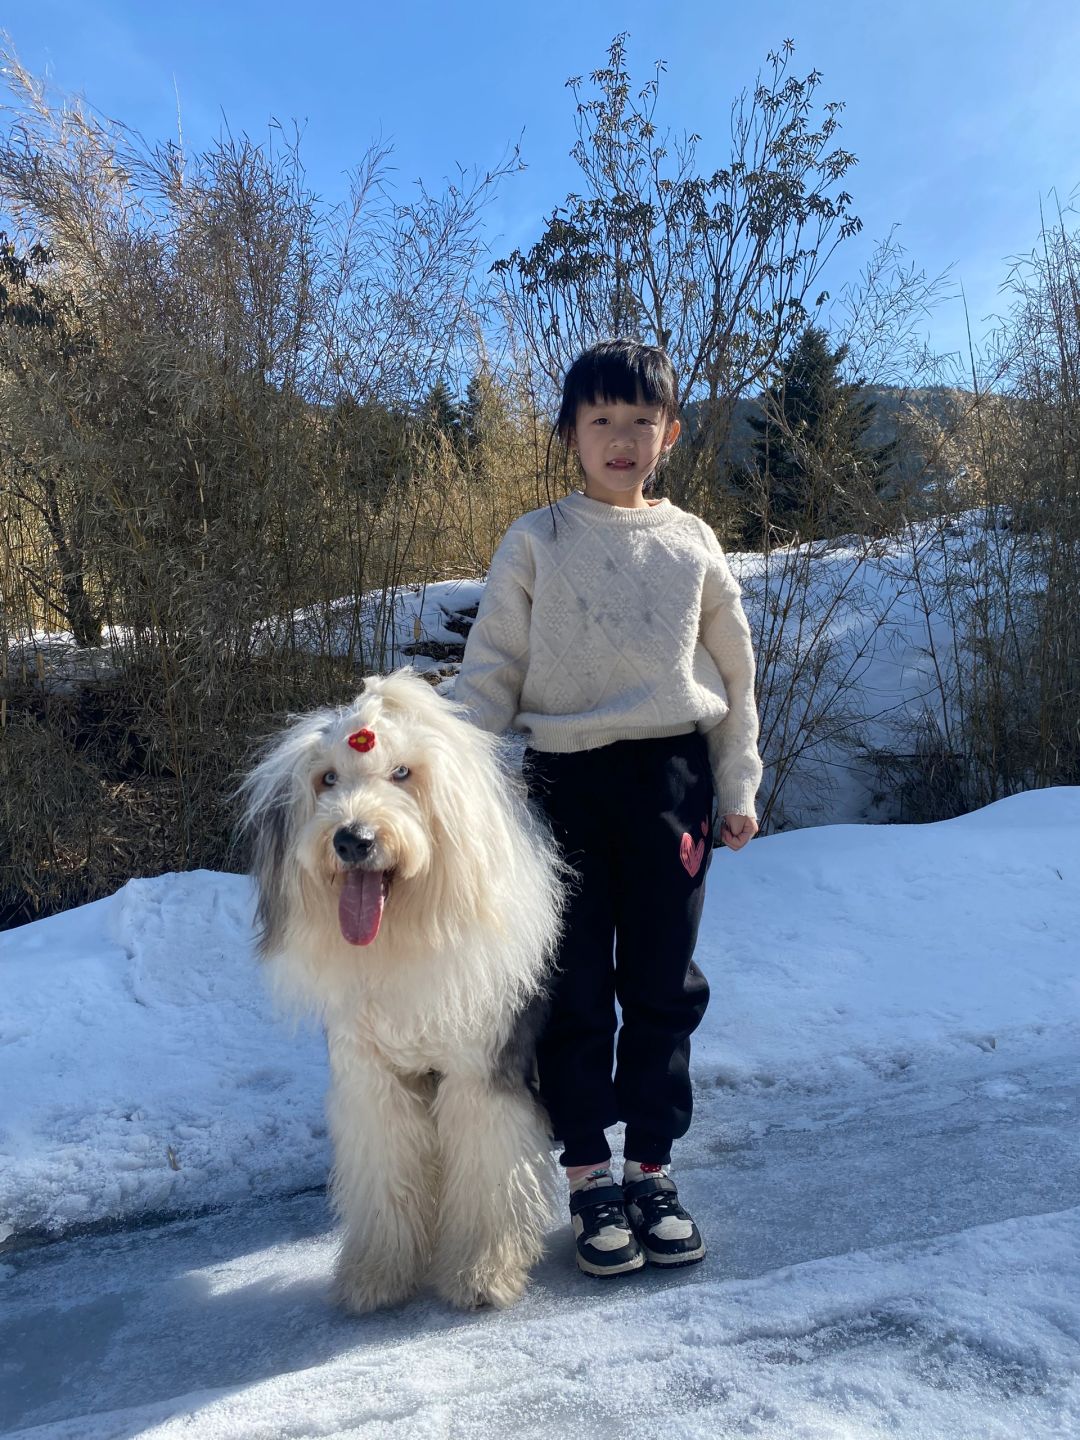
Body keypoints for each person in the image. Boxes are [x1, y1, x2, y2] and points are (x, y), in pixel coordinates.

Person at [455, 338, 761, 1277]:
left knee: (663, 988)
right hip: (563, 790)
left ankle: (652, 1171)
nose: (621, 438)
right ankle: (589, 1176)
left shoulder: (693, 541)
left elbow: (736, 681)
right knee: (573, 988)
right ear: (570, 434)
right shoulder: (536, 540)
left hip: (674, 788)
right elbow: (490, 673)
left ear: (671, 434)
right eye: (600, 420)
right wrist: (445, 781)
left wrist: (738, 785)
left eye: (641, 421)